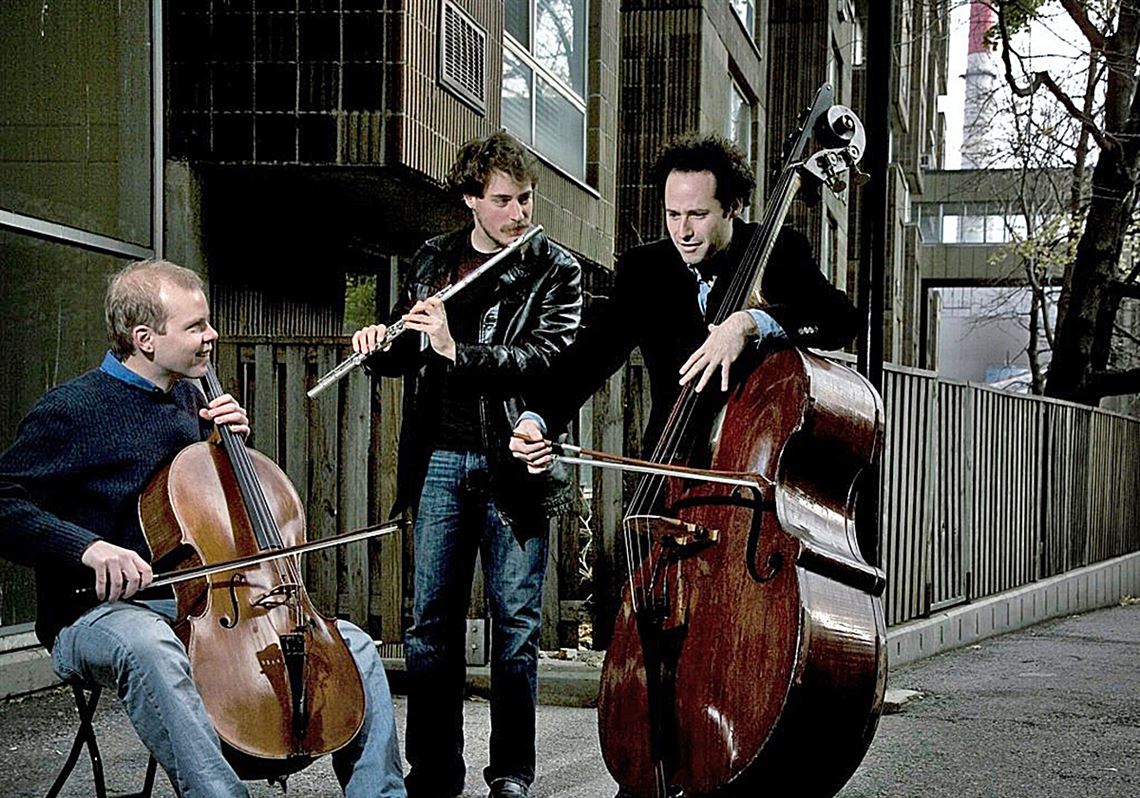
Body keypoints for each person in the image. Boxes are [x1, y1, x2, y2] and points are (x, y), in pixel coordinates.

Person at [0, 260, 406, 798]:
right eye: (196, 327)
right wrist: (87, 548)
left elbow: (204, 514)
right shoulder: (71, 410)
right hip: (94, 614)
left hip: (201, 605)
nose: (211, 335)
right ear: (145, 339)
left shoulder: (193, 402)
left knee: (351, 644)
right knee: (148, 644)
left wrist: (226, 449)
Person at [350, 130, 582, 798]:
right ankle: (435, 772)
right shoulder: (433, 258)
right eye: (504, 200)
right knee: (431, 628)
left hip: (514, 463)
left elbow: (547, 360)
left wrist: (459, 351)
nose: (519, 213)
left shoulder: (554, 268)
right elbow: (408, 350)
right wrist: (378, 343)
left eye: (526, 198)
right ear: (471, 199)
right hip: (441, 462)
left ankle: (510, 773)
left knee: (516, 630)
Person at [509, 132, 859, 469]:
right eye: (673, 215)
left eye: (698, 215)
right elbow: (592, 353)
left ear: (733, 207)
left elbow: (842, 320)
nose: (683, 232)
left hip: (752, 465)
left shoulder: (777, 250)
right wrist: (537, 418)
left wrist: (750, 323)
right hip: (669, 467)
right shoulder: (645, 270)